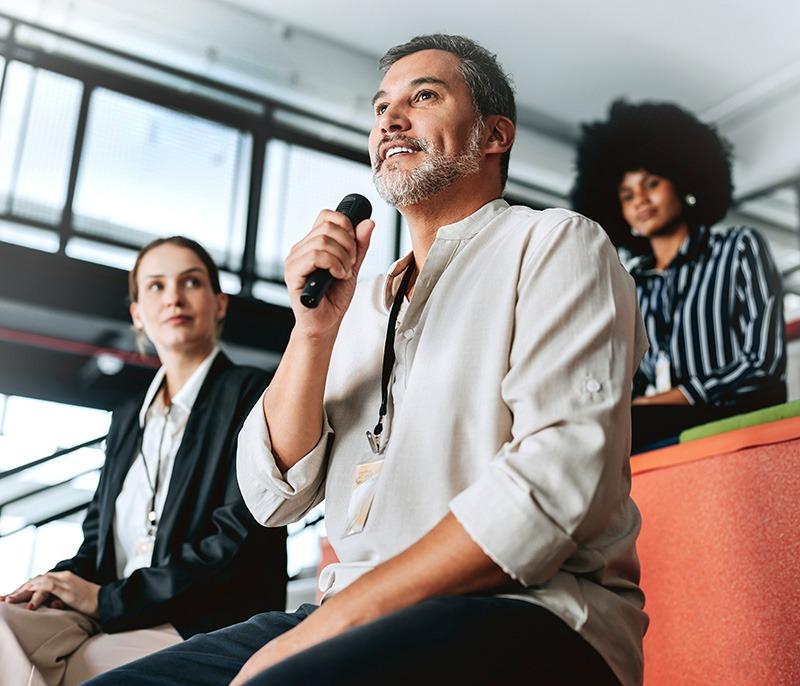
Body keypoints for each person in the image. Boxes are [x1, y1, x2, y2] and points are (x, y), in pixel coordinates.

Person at [88, 35, 647, 686]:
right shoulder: (359, 309)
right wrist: (313, 330)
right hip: (352, 608)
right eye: (381, 107)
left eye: (425, 96)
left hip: (533, 610)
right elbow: (273, 495)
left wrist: (335, 623)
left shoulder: (555, 243)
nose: (390, 118)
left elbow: (551, 487)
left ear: (494, 135)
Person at [0, 236, 287, 686]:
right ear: (137, 313)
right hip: (109, 604)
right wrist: (57, 583)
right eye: (155, 286)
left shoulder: (254, 394)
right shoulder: (127, 417)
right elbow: (97, 541)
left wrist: (107, 600)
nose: (173, 296)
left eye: (190, 282)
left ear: (219, 304)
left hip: (196, 616)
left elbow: (235, 542)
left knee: (86, 667)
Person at [571, 100, 787, 452]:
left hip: (734, 415)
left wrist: (679, 396)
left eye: (652, 184)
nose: (640, 200)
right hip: (659, 429)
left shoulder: (738, 248)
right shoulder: (631, 281)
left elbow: (763, 364)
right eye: (627, 195)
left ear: (684, 181)